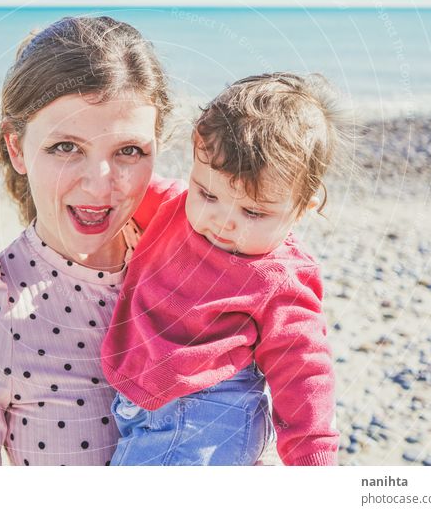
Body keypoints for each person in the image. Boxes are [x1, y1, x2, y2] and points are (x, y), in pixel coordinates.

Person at [0, 15, 173, 466]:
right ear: (17, 148)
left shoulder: (192, 259)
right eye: (65, 147)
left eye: (128, 151)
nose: (100, 185)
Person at [101, 73, 343, 466]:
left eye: (253, 211)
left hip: (207, 418)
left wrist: (313, 459)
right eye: (208, 193)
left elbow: (304, 370)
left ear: (303, 208)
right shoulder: (178, 206)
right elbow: (128, 190)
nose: (222, 220)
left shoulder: (277, 276)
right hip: (146, 404)